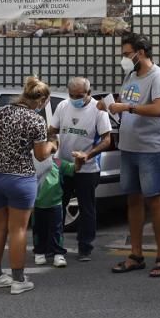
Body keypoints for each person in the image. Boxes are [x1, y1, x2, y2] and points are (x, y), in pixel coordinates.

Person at [106, 33, 160, 279]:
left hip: (151, 148)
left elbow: (157, 108)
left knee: (154, 201)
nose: (124, 58)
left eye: (126, 54)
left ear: (140, 53)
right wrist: (112, 105)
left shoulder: (159, 76)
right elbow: (127, 102)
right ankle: (136, 255)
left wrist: (127, 107)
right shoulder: (131, 75)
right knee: (132, 200)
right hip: (129, 146)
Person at [0, 76, 57, 295]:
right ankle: (18, 280)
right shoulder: (36, 120)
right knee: (18, 229)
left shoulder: (0, 112)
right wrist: (53, 145)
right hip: (20, 178)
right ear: (41, 99)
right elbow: (41, 155)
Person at [47, 77, 113, 262]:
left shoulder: (98, 109)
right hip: (64, 165)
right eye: (72, 95)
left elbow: (107, 140)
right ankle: (54, 247)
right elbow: (52, 130)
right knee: (57, 207)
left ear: (89, 94)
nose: (75, 98)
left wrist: (88, 155)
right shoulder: (63, 106)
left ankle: (85, 248)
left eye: (80, 95)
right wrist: (50, 144)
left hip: (88, 167)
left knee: (87, 209)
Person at [32, 154, 79, 268]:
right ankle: (39, 252)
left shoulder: (58, 162)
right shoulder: (32, 162)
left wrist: (80, 160)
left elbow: (73, 168)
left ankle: (58, 253)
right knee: (39, 230)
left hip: (56, 203)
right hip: (37, 204)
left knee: (57, 229)